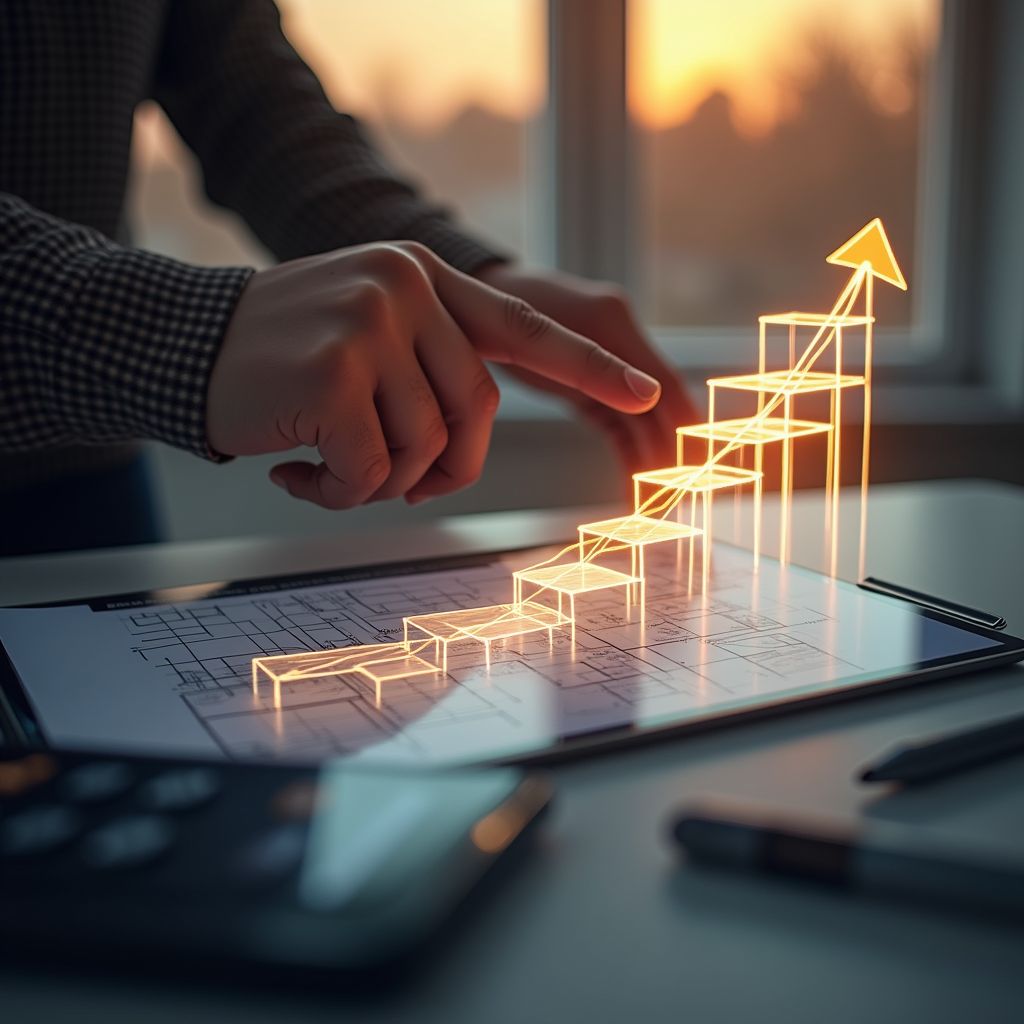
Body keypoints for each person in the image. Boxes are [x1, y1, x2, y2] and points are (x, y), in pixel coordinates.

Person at [0, 0, 694, 557]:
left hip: (83, 483)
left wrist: (480, 281)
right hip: (87, 415)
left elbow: (253, 105)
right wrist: (174, 333)